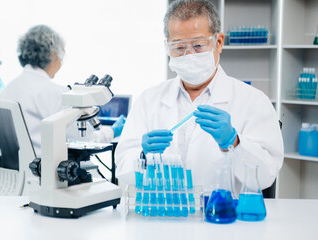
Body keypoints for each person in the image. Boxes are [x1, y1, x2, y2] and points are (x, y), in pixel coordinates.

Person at [115, 0, 283, 193]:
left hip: (222, 217)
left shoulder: (253, 101)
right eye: (178, 47)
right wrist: (143, 156)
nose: (188, 55)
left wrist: (234, 142)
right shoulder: (148, 100)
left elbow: (265, 177)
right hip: (163, 217)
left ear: (218, 43)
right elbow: (122, 168)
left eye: (198, 45)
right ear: (167, 48)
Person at [0, 25, 125, 170]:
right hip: (43, 177)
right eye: (62, 53)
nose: (62, 62)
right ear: (52, 54)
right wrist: (113, 131)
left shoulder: (7, 89)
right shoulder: (54, 93)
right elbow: (84, 140)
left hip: (12, 178)